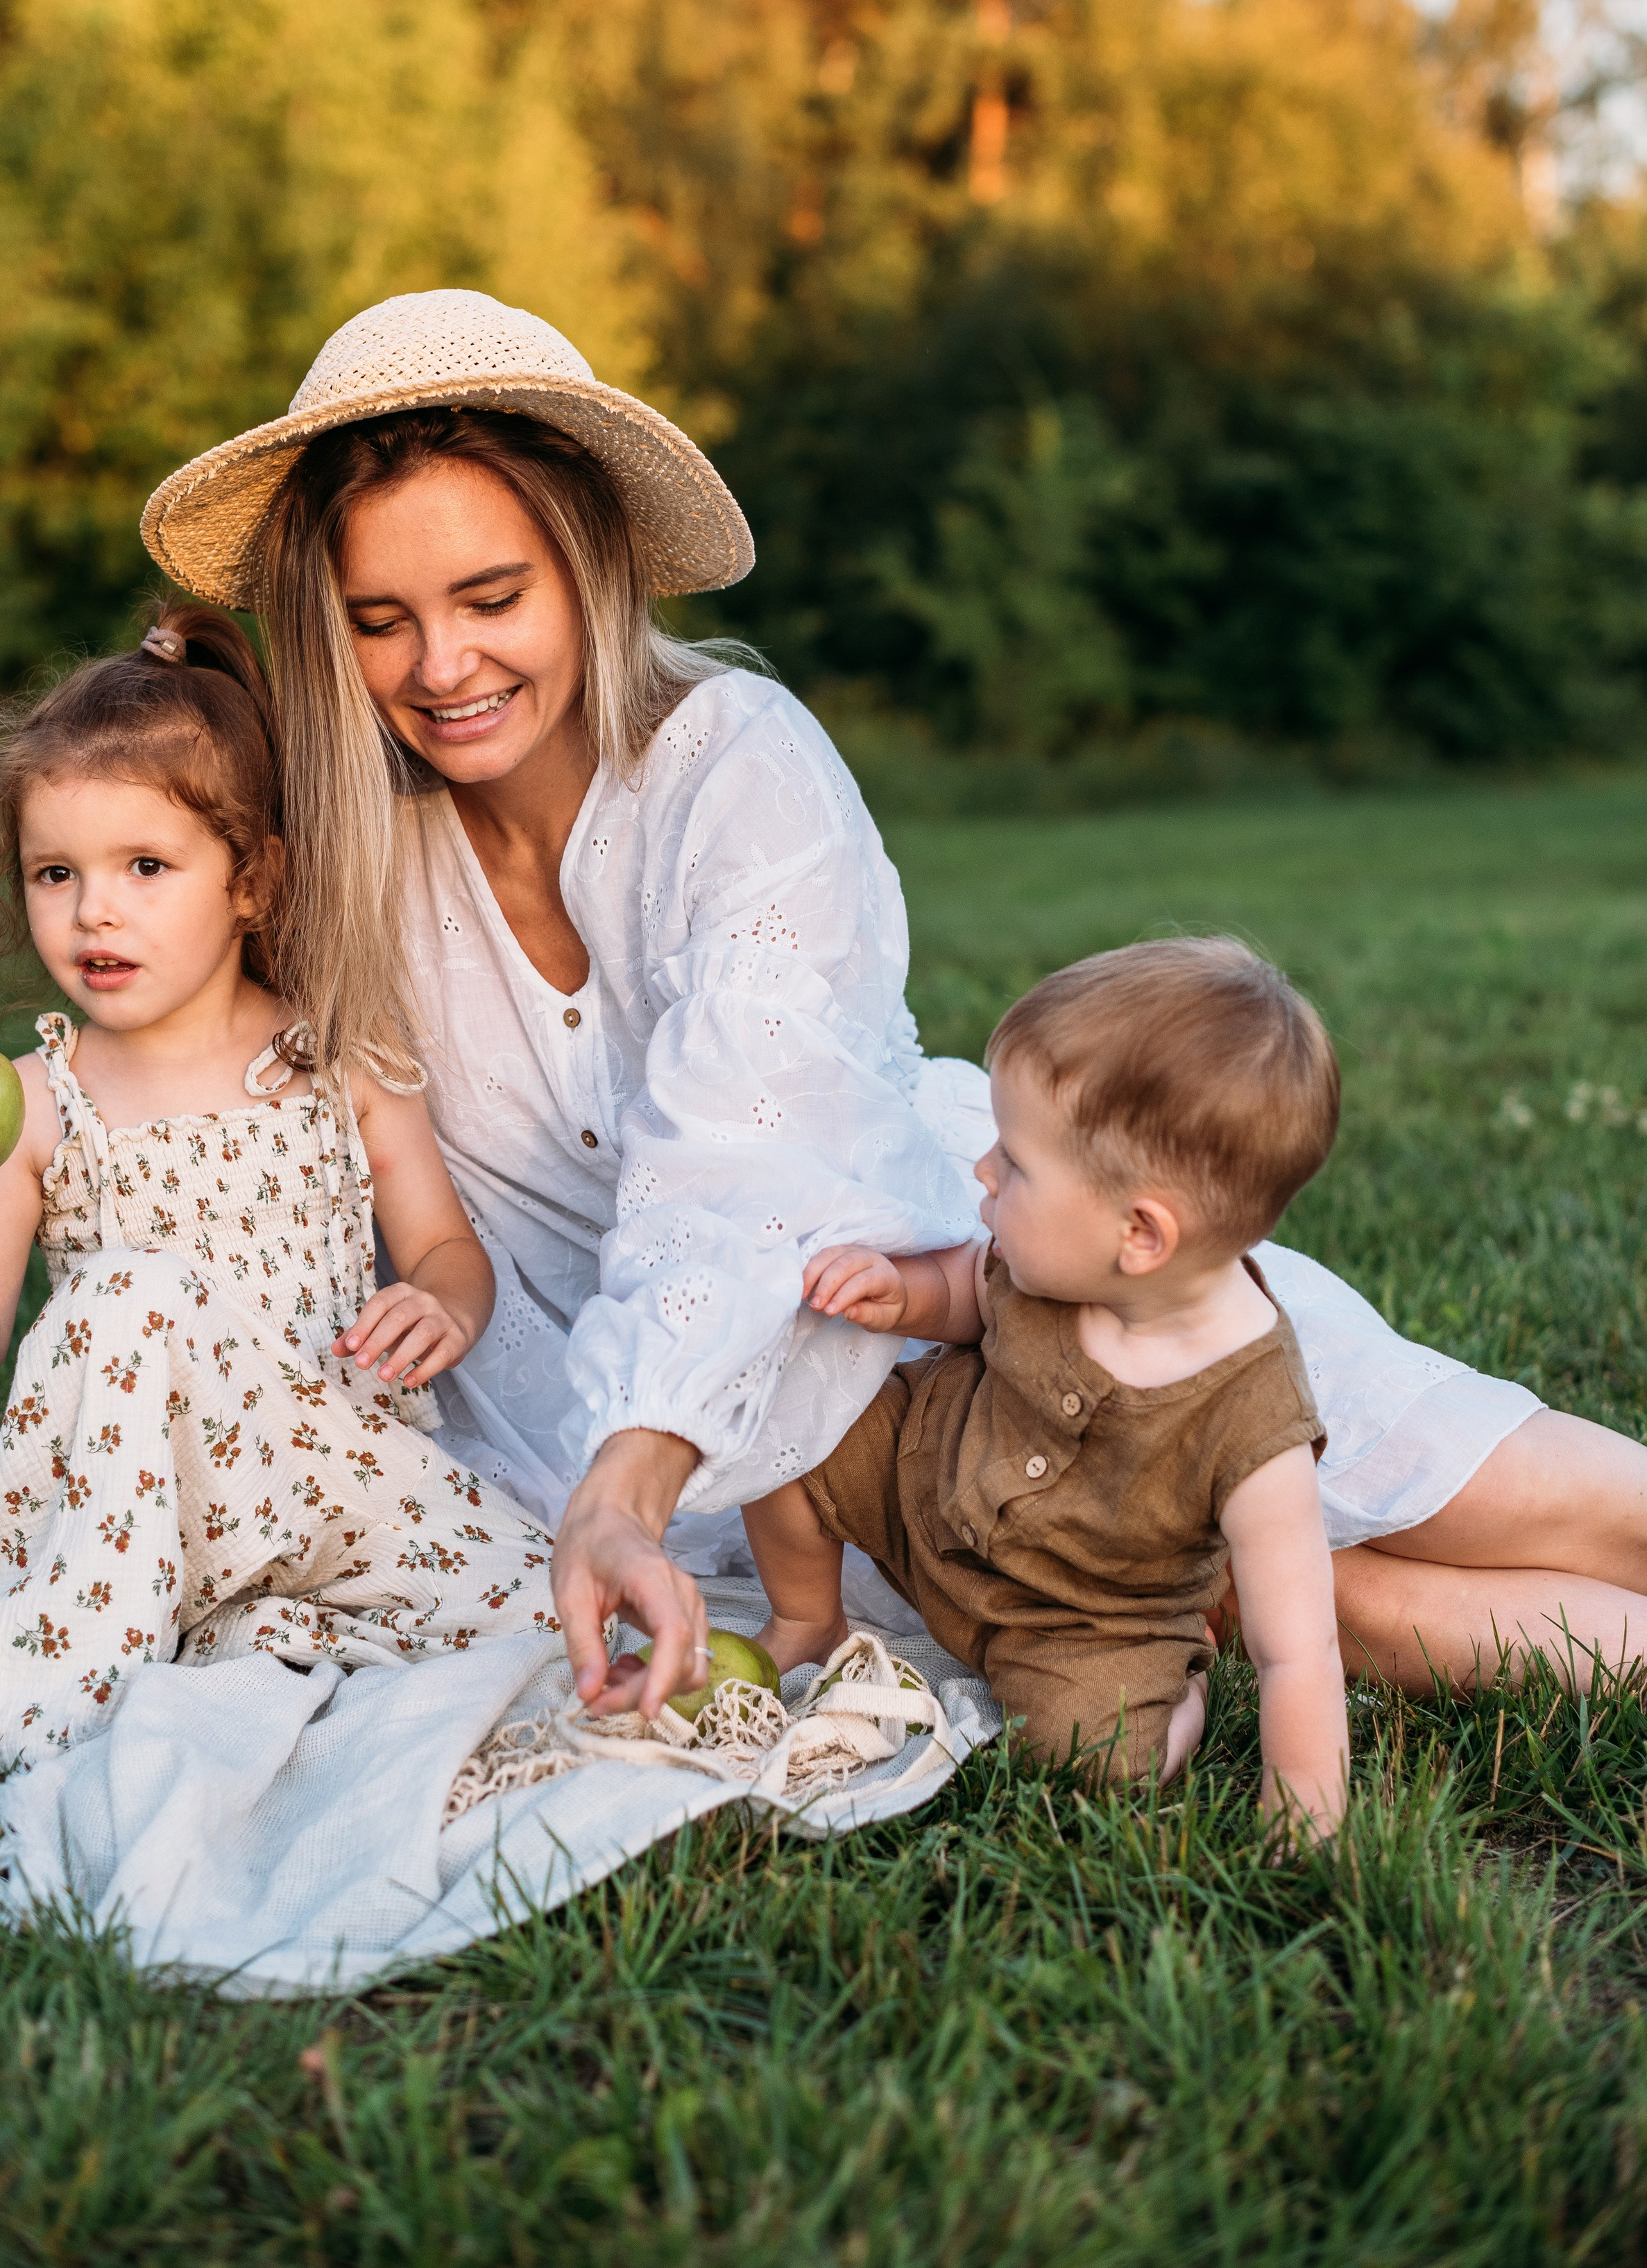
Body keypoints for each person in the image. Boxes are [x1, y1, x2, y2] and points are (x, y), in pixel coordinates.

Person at [139, 287, 1647, 1721]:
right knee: (1323, 1609)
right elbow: (159, 976)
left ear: (588, 566)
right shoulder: (350, 865)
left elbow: (743, 1162)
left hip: (993, 1315)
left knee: (1514, 1486)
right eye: (380, 618)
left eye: (490, 595)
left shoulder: (738, 764)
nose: (443, 663)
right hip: (796, 1470)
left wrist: (627, 1476)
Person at [0, 603, 556, 1768]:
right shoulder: (41, 1101)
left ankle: (223, 1625)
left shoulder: (342, 1061)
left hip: (332, 1480)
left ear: (252, 881)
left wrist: (441, 1303)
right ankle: (72, 1687)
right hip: (138, 1515)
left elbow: (447, 1252)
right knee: (136, 1292)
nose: (96, 909)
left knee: (547, 1617)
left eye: (146, 866)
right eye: (56, 873)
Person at [751, 939, 1349, 1841]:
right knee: (786, 1429)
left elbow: (1298, 1648)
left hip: (1074, 1621)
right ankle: (805, 1617)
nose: (984, 1169)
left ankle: (1172, 1705)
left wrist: (1306, 1816)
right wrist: (902, 1293)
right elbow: (966, 1288)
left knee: (1087, 1757)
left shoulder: (1252, 1421)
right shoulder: (1049, 1261)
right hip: (919, 1477)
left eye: (1016, 1162)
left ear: (1140, 1235)